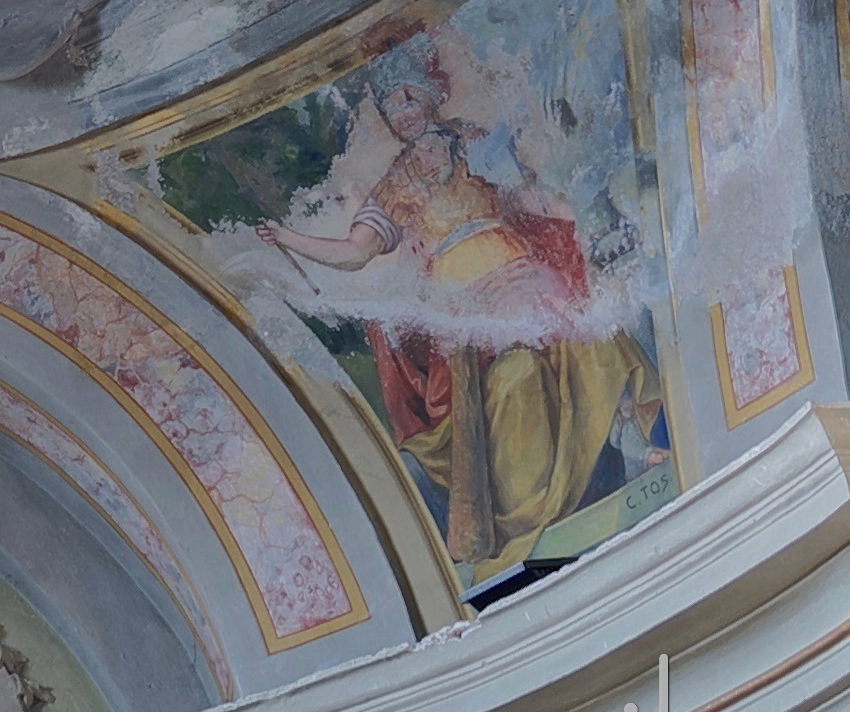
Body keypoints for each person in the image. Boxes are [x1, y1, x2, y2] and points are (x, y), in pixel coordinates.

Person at [249, 40, 661, 584]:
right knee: (517, 377)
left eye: (409, 99)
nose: (403, 114)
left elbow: (526, 194)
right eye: (391, 107)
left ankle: (629, 429)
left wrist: (576, 223)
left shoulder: (471, 143)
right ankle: (529, 515)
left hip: (520, 271)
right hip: (469, 305)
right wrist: (287, 237)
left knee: (588, 333)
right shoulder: (395, 186)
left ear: (429, 97)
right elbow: (355, 252)